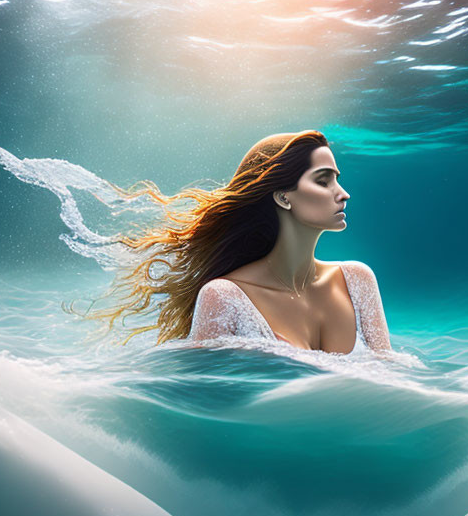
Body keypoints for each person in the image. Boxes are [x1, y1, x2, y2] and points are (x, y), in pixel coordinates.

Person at [85, 130, 392, 355]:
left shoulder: (357, 280)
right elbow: (204, 403)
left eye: (337, 179)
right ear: (283, 196)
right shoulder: (223, 297)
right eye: (324, 181)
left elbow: (390, 378)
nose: (342, 193)